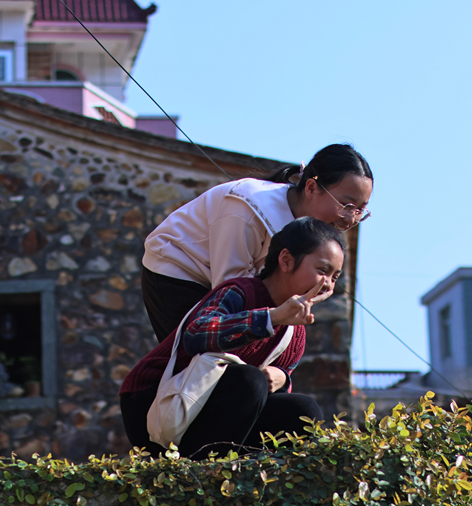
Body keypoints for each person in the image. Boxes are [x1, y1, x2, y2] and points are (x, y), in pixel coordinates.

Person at [120, 217, 345, 459]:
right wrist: (272, 318)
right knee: (250, 379)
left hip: (209, 420)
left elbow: (263, 401)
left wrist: (283, 380)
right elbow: (196, 335)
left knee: (304, 411)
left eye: (335, 277)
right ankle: (203, 475)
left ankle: (238, 480)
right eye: (322, 271)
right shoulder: (239, 292)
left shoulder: (295, 333)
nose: (328, 285)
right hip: (154, 403)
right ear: (286, 261)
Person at [142, 143, 373, 343]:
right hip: (177, 275)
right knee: (199, 368)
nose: (351, 219)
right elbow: (230, 289)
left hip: (228, 294)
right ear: (311, 188)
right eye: (347, 205)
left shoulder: (310, 235)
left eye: (361, 211)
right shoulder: (248, 205)